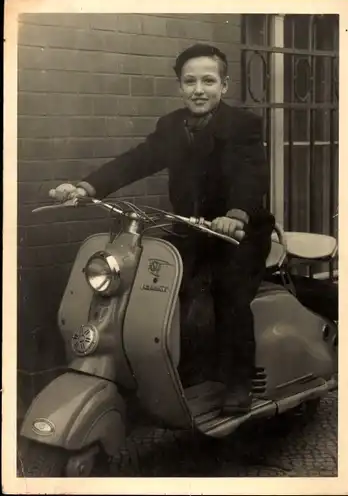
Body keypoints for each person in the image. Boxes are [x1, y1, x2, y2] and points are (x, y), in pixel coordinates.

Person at [50, 43, 275, 414]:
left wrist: (236, 214)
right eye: (190, 81)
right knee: (157, 287)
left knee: (230, 295)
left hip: (237, 235)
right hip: (190, 230)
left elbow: (251, 173)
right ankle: (180, 369)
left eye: (208, 80)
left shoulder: (243, 125)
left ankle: (237, 382)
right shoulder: (171, 126)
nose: (198, 89)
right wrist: (86, 187)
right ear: (180, 86)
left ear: (225, 85)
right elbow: (137, 160)